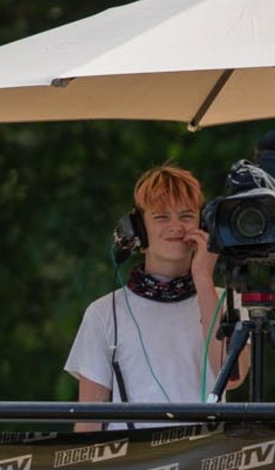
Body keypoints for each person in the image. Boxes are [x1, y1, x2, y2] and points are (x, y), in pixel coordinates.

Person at [64, 163, 245, 431]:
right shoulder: (103, 312)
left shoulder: (227, 300)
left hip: (203, 463)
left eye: (186, 216)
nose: (176, 226)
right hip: (131, 468)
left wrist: (204, 277)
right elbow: (88, 423)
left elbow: (230, 376)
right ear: (138, 228)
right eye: (161, 217)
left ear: (202, 223)